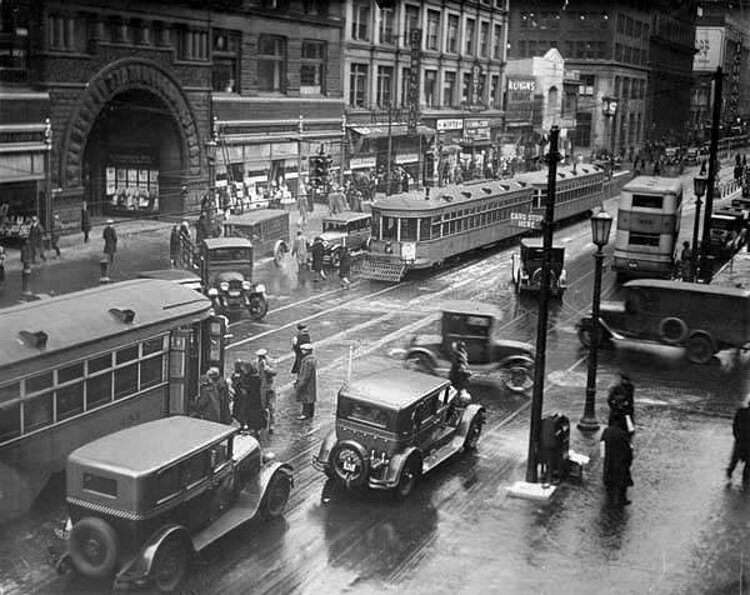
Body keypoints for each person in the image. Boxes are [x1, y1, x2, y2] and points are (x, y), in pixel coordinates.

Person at [600, 413, 634, 506]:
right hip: (620, 461)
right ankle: (621, 499)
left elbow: (602, 444)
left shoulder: (606, 431)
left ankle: (610, 498)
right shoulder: (622, 434)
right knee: (622, 481)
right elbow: (627, 450)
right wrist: (629, 460)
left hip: (609, 459)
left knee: (609, 479)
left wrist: (603, 457)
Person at [727, 400, 750, 488]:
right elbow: (735, 425)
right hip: (743, 440)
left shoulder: (741, 411)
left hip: (740, 439)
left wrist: (736, 435)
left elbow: (734, 425)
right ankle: (745, 485)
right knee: (747, 463)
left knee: (735, 460)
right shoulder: (741, 412)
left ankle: (729, 476)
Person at [607, 373, 635, 438]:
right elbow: (610, 399)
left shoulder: (629, 388)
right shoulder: (617, 388)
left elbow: (630, 400)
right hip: (619, 411)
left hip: (624, 410)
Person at [294, 343, 317, 420]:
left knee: (306, 399)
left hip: (306, 383)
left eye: (304, 350)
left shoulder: (308, 361)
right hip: (310, 383)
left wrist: (300, 383)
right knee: (310, 399)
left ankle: (305, 414)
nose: (302, 351)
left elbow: (306, 375)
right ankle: (310, 414)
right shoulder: (311, 359)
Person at [257, 348, 277, 434]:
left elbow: (275, 372)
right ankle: (263, 423)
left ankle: (272, 425)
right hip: (260, 387)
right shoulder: (255, 362)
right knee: (261, 407)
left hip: (269, 387)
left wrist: (267, 368)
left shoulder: (271, 362)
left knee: (271, 407)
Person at [231, 360, 251, 431]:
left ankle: (243, 423)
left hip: (241, 395)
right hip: (238, 395)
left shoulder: (241, 374)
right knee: (238, 409)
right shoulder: (238, 374)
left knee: (242, 409)